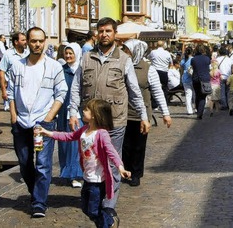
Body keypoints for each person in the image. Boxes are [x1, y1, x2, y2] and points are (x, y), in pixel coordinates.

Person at [68, 17, 149, 226]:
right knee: (92, 162)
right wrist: (72, 112)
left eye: (108, 31)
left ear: (114, 34)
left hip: (115, 122)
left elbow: (134, 90)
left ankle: (108, 207)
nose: (104, 34)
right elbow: (76, 87)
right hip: (91, 123)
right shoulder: (87, 58)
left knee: (113, 163)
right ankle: (97, 199)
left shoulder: (123, 59)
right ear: (97, 34)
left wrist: (143, 116)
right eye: (101, 31)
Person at [38, 99, 131, 227]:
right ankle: (108, 222)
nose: (83, 111)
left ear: (94, 115)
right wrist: (48, 133)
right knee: (86, 209)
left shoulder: (101, 134)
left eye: (87, 109)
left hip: (98, 182)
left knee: (93, 210)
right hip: (87, 178)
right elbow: (68, 136)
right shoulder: (84, 130)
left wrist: (121, 167)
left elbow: (111, 152)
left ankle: (107, 222)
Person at [7, 27, 68, 218]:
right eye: (33, 41)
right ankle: (36, 192)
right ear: (27, 42)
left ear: (45, 42)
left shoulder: (54, 66)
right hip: (21, 122)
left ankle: (39, 202)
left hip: (43, 122)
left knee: (43, 164)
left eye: (40, 41)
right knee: (24, 163)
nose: (37, 44)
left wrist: (48, 118)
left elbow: (61, 93)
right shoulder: (17, 65)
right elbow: (10, 93)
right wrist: (13, 117)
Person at [121, 39, 171, 187]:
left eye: (127, 50)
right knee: (124, 145)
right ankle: (126, 170)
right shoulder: (121, 65)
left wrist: (165, 113)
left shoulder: (149, 69)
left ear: (135, 51)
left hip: (140, 115)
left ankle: (136, 174)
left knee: (138, 145)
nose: (124, 52)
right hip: (122, 112)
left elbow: (157, 92)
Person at [57, 42, 84, 188]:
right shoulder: (61, 70)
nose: (68, 56)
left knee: (77, 141)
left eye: (71, 53)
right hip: (63, 111)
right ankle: (68, 171)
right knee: (66, 143)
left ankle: (77, 173)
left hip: (78, 110)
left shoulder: (82, 70)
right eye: (66, 53)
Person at [0, 32, 29, 112]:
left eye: (26, 40)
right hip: (13, 88)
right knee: (14, 112)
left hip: (27, 87)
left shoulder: (28, 53)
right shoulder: (8, 54)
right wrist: (3, 91)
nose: (25, 42)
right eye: (23, 40)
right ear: (16, 42)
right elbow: (2, 72)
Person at [190, 45, 211, 120]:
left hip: (196, 78)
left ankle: (198, 110)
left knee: (197, 95)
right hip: (204, 78)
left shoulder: (193, 59)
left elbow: (193, 67)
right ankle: (200, 113)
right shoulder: (207, 58)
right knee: (203, 96)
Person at [180, 46, 195, 115]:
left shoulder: (183, 60)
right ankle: (196, 108)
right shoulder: (193, 59)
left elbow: (181, 70)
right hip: (193, 78)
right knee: (195, 94)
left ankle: (189, 110)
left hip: (185, 78)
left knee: (188, 95)